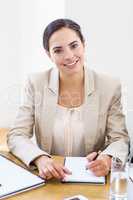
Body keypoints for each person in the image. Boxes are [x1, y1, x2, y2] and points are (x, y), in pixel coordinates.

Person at [7, 18, 129, 180]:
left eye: (74, 45)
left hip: (91, 176)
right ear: (48, 54)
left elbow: (120, 138)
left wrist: (107, 158)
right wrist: (40, 158)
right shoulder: (36, 83)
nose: (69, 56)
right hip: (50, 177)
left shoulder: (109, 85)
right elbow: (17, 135)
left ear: (83, 44)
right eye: (58, 50)